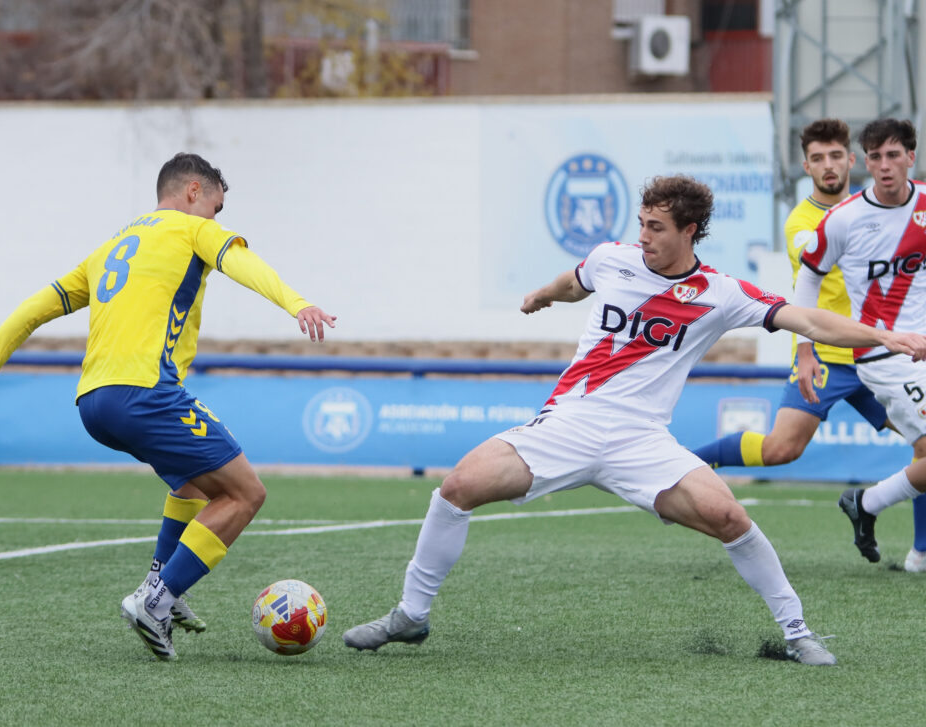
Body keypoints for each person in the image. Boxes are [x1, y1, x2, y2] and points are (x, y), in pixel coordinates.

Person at [342, 175, 926, 666]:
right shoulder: (612, 259)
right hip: (569, 423)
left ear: (689, 231)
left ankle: (797, 632)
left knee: (729, 516)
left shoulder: (720, 293)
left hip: (642, 441)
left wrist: (883, 336)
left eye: (656, 228)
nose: (642, 236)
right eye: (641, 223)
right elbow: (575, 281)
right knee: (457, 488)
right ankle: (411, 616)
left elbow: (810, 320)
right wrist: (542, 296)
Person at [0, 153, 336, 662]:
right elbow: (243, 263)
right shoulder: (193, 230)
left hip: (93, 403)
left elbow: (29, 311)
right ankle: (157, 599)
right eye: (215, 207)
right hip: (146, 394)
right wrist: (298, 303)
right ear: (194, 191)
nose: (217, 220)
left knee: (191, 486)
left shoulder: (109, 249)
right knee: (245, 494)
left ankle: (165, 588)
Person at [691, 120, 926, 571]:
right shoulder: (813, 223)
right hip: (833, 355)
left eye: (836, 156)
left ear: (849, 161)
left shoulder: (888, 211)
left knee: (921, 447)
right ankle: (686, 464)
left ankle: (919, 549)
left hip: (889, 349)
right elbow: (813, 269)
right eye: (818, 159)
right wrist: (803, 349)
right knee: (782, 448)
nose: (829, 165)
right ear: (807, 167)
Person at [797, 118, 926, 568]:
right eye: (876, 157)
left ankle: (882, 520)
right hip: (883, 355)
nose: (885, 166)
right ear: (865, 161)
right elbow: (807, 282)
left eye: (894, 155)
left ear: (912, 156)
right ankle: (871, 507)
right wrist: (804, 348)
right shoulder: (844, 219)